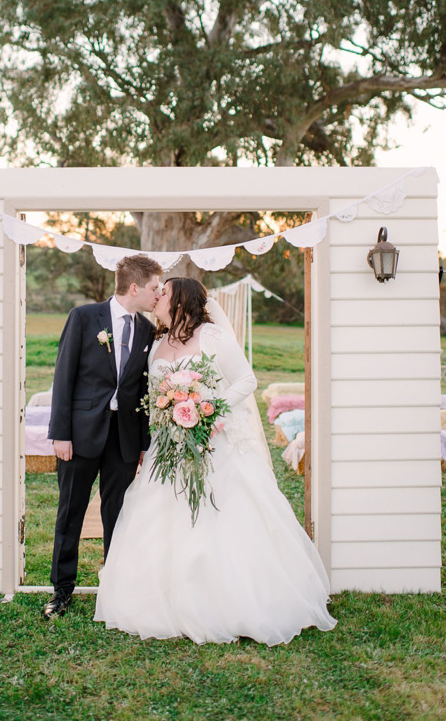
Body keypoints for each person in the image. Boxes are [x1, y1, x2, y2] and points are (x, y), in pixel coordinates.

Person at [94, 277, 337, 646]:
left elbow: (246, 380)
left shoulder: (213, 337)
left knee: (223, 513)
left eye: (165, 293)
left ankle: (234, 602)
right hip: (169, 444)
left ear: (181, 301)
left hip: (213, 440)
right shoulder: (157, 342)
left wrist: (208, 411)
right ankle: (159, 599)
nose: (157, 297)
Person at [43, 254, 162, 619]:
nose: (159, 295)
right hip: (79, 435)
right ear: (134, 288)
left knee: (117, 516)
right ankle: (61, 591)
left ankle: (113, 588)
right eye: (154, 288)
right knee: (71, 513)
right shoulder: (83, 318)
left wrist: (142, 444)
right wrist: (60, 433)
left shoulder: (146, 330)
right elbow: (63, 377)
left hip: (123, 440)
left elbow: (141, 389)